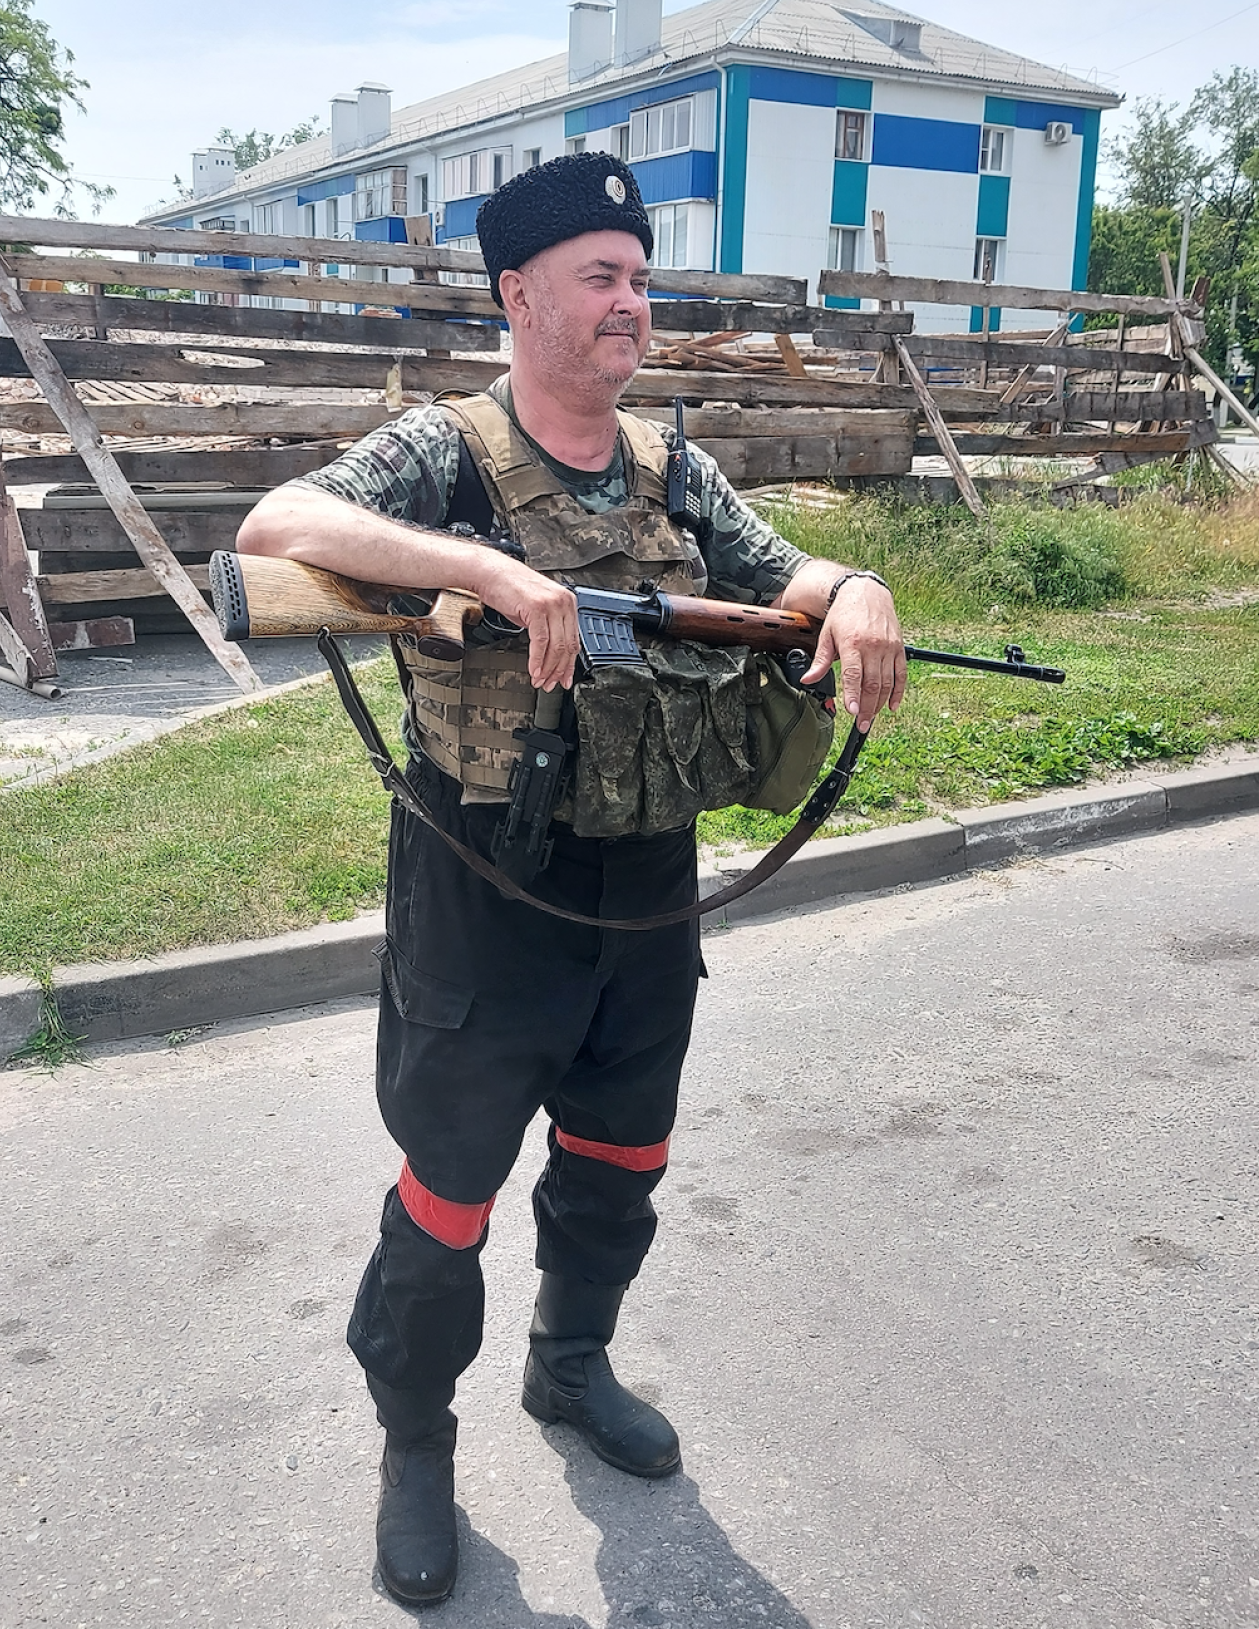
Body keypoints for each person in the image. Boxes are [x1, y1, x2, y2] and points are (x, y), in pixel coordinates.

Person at [235, 152, 905, 1606]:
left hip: (645, 881)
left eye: (640, 278)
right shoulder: (447, 455)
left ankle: (569, 1365)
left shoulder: (674, 469)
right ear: (518, 293)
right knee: (452, 1191)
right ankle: (417, 1444)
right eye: (601, 277)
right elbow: (275, 528)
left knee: (621, 1158)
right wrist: (481, 572)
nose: (632, 305)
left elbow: (781, 573)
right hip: (485, 881)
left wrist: (854, 591)